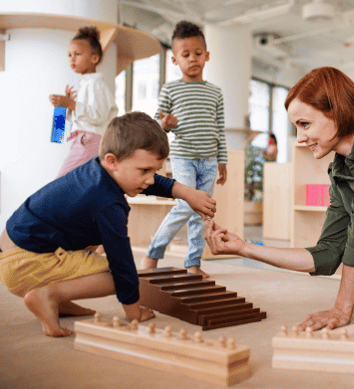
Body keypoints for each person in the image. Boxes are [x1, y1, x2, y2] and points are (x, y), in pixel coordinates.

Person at [205, 66, 354, 331]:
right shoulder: (341, 173)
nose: (300, 138)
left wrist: (341, 309)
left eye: (305, 124)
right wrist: (245, 248)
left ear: (336, 112)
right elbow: (327, 254)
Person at [0, 112, 216, 337]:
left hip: (12, 250)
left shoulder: (97, 170)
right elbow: (122, 263)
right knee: (117, 274)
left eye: (155, 170)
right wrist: (134, 313)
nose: (151, 179)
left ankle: (58, 300)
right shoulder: (108, 204)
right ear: (112, 161)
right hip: (24, 265)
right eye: (144, 170)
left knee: (95, 241)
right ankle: (49, 295)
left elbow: (145, 181)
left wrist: (187, 193)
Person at [140, 21, 227, 279]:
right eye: (185, 54)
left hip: (210, 161)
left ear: (207, 56)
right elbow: (157, 124)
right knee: (186, 206)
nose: (193, 59)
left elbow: (219, 129)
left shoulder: (215, 93)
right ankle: (153, 253)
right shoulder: (170, 89)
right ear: (175, 59)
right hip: (183, 158)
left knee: (202, 212)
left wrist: (223, 161)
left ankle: (193, 263)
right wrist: (164, 124)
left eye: (198, 53)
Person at [49, 26, 118, 178]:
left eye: (77, 54)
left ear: (95, 58)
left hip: (88, 141)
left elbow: (98, 116)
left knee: (61, 183)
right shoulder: (86, 85)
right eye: (69, 55)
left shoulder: (95, 84)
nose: (72, 58)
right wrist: (67, 107)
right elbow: (78, 121)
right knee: (81, 186)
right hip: (84, 140)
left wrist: (71, 104)